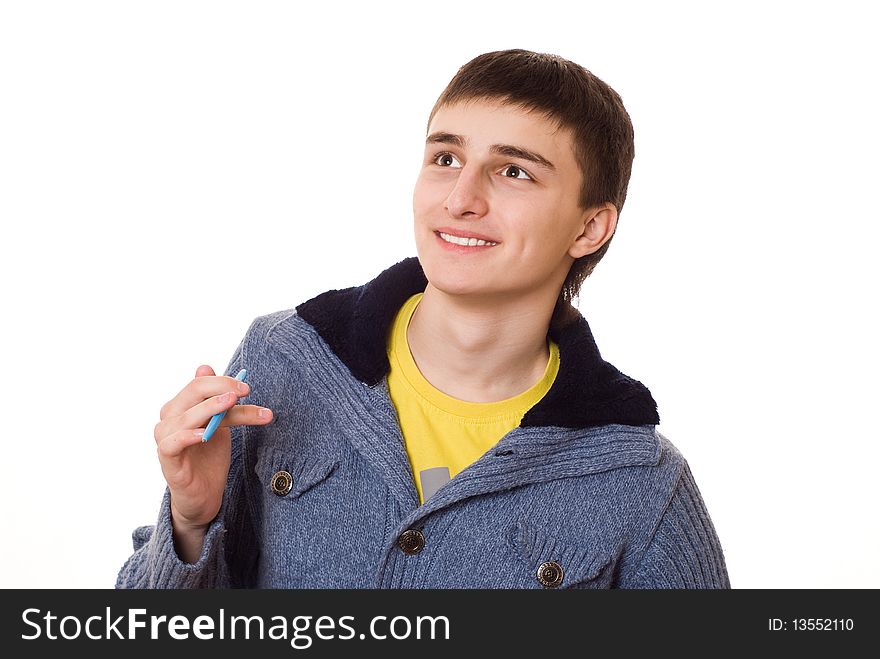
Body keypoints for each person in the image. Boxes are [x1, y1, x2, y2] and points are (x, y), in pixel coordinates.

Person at [117, 49, 730, 589]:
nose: (460, 198)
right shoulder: (285, 357)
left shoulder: (642, 483)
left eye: (513, 171)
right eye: (445, 157)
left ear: (589, 227)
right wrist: (191, 522)